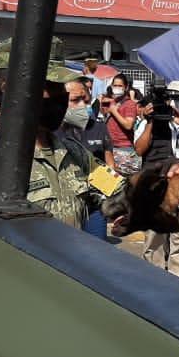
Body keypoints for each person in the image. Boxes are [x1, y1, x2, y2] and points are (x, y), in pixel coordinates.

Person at [0, 45, 95, 228]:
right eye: (51, 86)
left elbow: (116, 194)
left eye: (61, 87)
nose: (60, 95)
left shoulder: (75, 153)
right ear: (13, 90)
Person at [138, 81, 179, 277]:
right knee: (155, 235)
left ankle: (177, 275)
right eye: (176, 98)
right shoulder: (150, 119)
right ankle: (152, 274)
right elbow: (139, 149)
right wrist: (150, 122)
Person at [59, 76, 110, 239]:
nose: (83, 106)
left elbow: (109, 166)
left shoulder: (99, 128)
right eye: (76, 100)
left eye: (86, 100)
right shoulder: (46, 133)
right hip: (62, 208)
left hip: (94, 205)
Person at [101, 73, 140, 175]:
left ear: (126, 87)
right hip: (110, 147)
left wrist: (114, 112)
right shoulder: (111, 102)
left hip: (123, 149)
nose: (117, 88)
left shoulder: (129, 104)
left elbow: (128, 125)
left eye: (120, 86)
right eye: (115, 85)